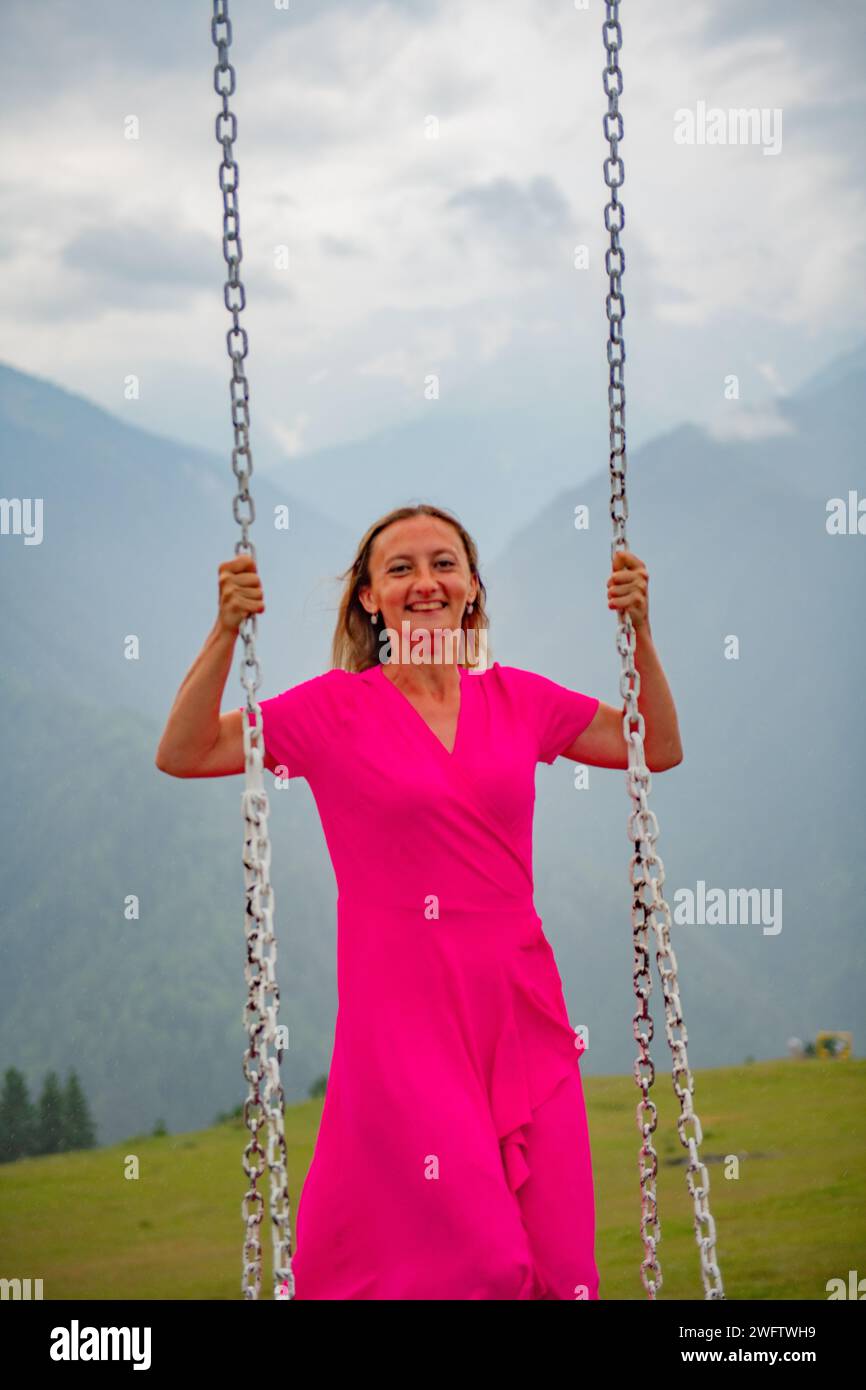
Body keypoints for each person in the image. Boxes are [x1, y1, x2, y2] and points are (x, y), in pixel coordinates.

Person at [155, 502, 683, 1300]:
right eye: (399, 568)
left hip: (520, 1012)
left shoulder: (520, 699)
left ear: (471, 586)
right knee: (479, 1265)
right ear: (369, 598)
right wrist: (225, 630)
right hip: (403, 1021)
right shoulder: (331, 711)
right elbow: (184, 752)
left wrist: (640, 630)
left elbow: (657, 746)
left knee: (562, 1272)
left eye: (444, 563)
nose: (425, 582)